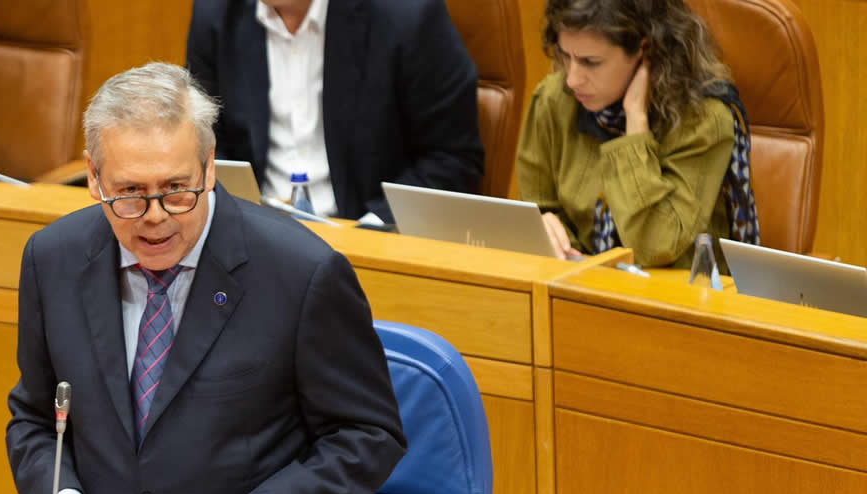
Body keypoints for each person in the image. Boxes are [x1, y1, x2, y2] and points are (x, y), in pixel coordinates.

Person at [5, 63, 406, 494]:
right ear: (92, 178)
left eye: (178, 189)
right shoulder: (53, 261)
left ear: (211, 167)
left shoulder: (301, 274)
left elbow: (367, 437)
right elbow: (35, 418)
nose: (156, 216)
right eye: (130, 193)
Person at [186, 0, 484, 225]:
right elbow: (204, 143)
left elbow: (453, 159)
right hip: (254, 240)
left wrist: (372, 229)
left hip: (367, 236)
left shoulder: (406, 15)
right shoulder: (216, 14)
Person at [516, 0, 760, 267]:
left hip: (675, 298)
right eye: (566, 56)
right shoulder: (554, 100)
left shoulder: (703, 120)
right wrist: (547, 228)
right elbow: (536, 211)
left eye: (591, 62)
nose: (573, 79)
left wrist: (635, 122)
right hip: (576, 290)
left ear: (645, 50)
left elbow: (654, 246)